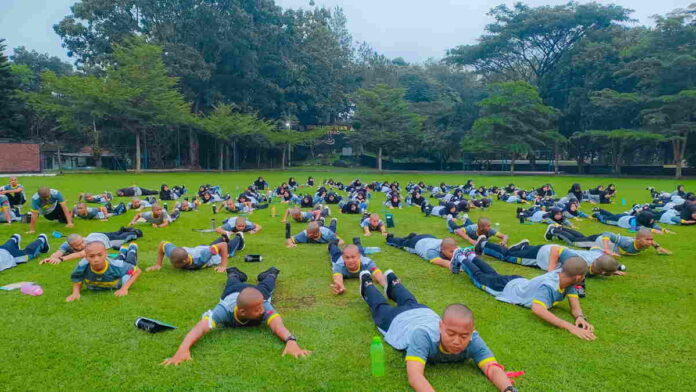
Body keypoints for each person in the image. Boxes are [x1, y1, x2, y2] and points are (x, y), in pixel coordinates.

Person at [358, 270, 517, 392]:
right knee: (379, 306)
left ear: (472, 332)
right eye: (451, 333)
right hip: (398, 320)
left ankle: (393, 281)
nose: (457, 341)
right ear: (440, 326)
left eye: (463, 336)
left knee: (409, 300)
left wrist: (509, 389)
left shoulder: (473, 339)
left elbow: (492, 367)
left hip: (423, 311)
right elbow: (415, 376)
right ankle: (367, 283)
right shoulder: (423, 336)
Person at [162, 266, 311, 365]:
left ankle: (270, 272)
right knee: (232, 280)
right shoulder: (224, 310)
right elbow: (200, 327)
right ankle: (234, 272)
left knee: (267, 285)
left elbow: (277, 324)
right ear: (242, 312)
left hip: (256, 293)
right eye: (258, 310)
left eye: (262, 307)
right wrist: (183, 349)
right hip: (233, 292)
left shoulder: (262, 303)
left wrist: (290, 340)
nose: (263, 311)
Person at [451, 249, 596, 341]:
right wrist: (569, 327)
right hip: (505, 288)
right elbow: (537, 309)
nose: (584, 278)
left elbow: (575, 305)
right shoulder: (549, 287)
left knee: (492, 274)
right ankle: (461, 257)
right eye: (584, 276)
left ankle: (471, 256)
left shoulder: (567, 280)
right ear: (578, 277)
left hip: (517, 281)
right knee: (479, 277)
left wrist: (579, 317)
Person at [66, 241, 141, 301]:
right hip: (114, 263)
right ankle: (123, 250)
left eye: (99, 255)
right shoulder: (82, 265)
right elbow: (77, 278)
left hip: (118, 267)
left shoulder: (118, 266)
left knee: (130, 261)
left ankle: (132, 248)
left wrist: (124, 288)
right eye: (91, 256)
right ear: (86, 257)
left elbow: (137, 270)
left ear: (106, 254)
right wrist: (75, 293)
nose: (96, 259)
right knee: (119, 260)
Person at [146, 233, 245, 273]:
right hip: (202, 249)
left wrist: (223, 265)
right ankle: (224, 236)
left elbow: (222, 246)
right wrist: (158, 264)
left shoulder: (201, 258)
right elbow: (163, 244)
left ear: (185, 260)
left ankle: (239, 237)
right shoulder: (173, 253)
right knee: (211, 247)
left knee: (229, 251)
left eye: (176, 264)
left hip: (215, 254)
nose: (173, 265)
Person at [548, 226, 672, 256]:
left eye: (651, 240)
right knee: (575, 242)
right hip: (599, 242)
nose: (650, 242)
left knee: (581, 237)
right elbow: (606, 234)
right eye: (648, 240)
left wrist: (658, 247)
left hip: (599, 240)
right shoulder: (626, 242)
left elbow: (653, 243)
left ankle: (561, 228)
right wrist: (606, 249)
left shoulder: (645, 244)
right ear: (638, 239)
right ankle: (554, 230)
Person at [41, 230, 141, 264]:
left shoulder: (87, 242)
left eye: (82, 242)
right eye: (78, 245)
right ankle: (124, 230)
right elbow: (58, 252)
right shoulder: (66, 244)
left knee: (124, 238)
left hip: (104, 239)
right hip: (97, 236)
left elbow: (82, 254)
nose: (82, 245)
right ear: (71, 245)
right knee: (118, 233)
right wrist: (50, 259)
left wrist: (62, 259)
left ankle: (135, 232)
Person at [386, 233, 457, 269]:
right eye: (451, 252)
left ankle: (410, 236)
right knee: (402, 243)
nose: (454, 253)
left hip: (430, 237)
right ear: (442, 249)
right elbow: (442, 262)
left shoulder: (449, 245)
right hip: (416, 242)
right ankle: (389, 238)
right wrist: (459, 267)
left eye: (454, 250)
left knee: (407, 239)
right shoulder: (431, 251)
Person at [592, 209, 673, 233]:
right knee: (605, 220)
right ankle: (598, 214)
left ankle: (600, 210)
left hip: (624, 216)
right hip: (619, 220)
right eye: (651, 219)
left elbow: (654, 225)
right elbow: (637, 229)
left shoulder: (647, 221)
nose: (653, 221)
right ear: (645, 219)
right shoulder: (635, 222)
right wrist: (653, 230)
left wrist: (664, 230)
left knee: (611, 215)